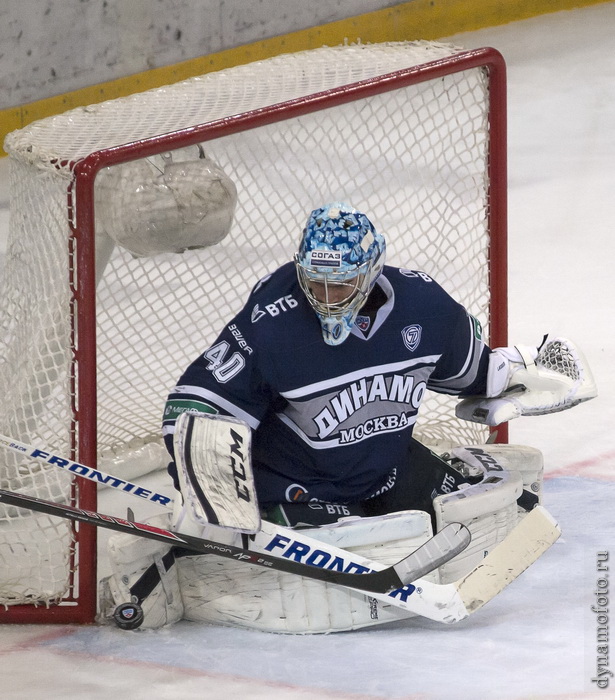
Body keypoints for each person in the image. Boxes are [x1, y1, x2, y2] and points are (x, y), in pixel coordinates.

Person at [162, 202, 513, 528]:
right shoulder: (272, 322)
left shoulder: (424, 306)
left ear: (371, 270)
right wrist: (212, 485)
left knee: (480, 522)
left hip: (384, 474)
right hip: (296, 488)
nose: (325, 300)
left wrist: (520, 374)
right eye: (316, 283)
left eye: (341, 285)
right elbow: (199, 406)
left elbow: (474, 373)